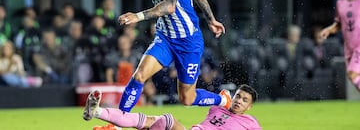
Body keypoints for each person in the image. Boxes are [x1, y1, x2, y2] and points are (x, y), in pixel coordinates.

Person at [116, 0, 227, 113]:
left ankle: (223, 100)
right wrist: (211, 19)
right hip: (166, 39)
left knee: (187, 98)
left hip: (188, 42)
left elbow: (169, 6)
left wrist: (138, 16)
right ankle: (118, 122)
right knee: (139, 75)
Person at [83, 84, 262, 130]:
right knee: (152, 120)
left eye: (244, 100)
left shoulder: (250, 122)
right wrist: (220, 99)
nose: (239, 101)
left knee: (167, 120)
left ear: (250, 107)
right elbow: (195, 96)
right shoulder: (218, 108)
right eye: (238, 96)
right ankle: (96, 111)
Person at [320, 0, 360, 91]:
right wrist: (329, 30)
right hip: (349, 48)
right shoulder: (340, 3)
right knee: (353, 78)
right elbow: (339, 24)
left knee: (352, 73)